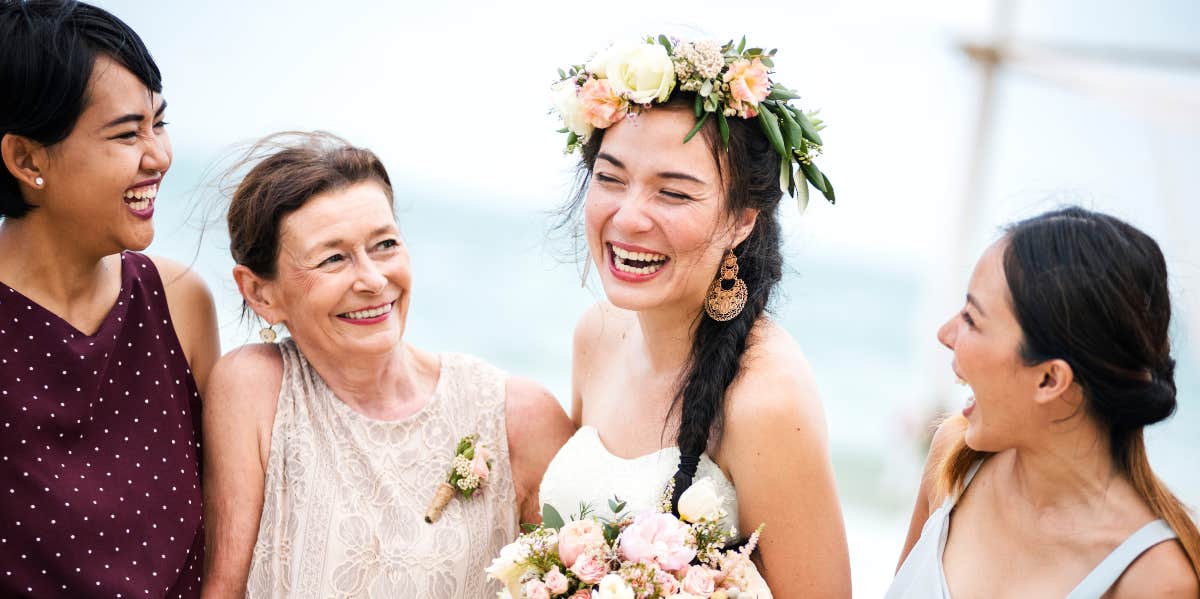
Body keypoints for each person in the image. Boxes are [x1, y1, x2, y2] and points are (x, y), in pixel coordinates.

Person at [537, 37, 852, 596]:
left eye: (674, 194)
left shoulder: (766, 399)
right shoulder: (596, 335)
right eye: (611, 179)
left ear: (741, 220)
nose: (629, 217)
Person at [200, 132, 575, 597]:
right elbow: (223, 588)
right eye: (334, 258)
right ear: (260, 293)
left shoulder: (517, 415)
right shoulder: (253, 389)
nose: (374, 280)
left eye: (385, 245)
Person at [0, 1, 219, 596]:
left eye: (159, 123)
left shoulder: (180, 302)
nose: (159, 157)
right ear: (25, 158)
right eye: (127, 133)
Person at [887, 207, 1200, 598]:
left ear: (1050, 379)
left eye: (972, 319)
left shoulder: (1154, 581)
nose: (945, 333)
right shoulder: (952, 459)